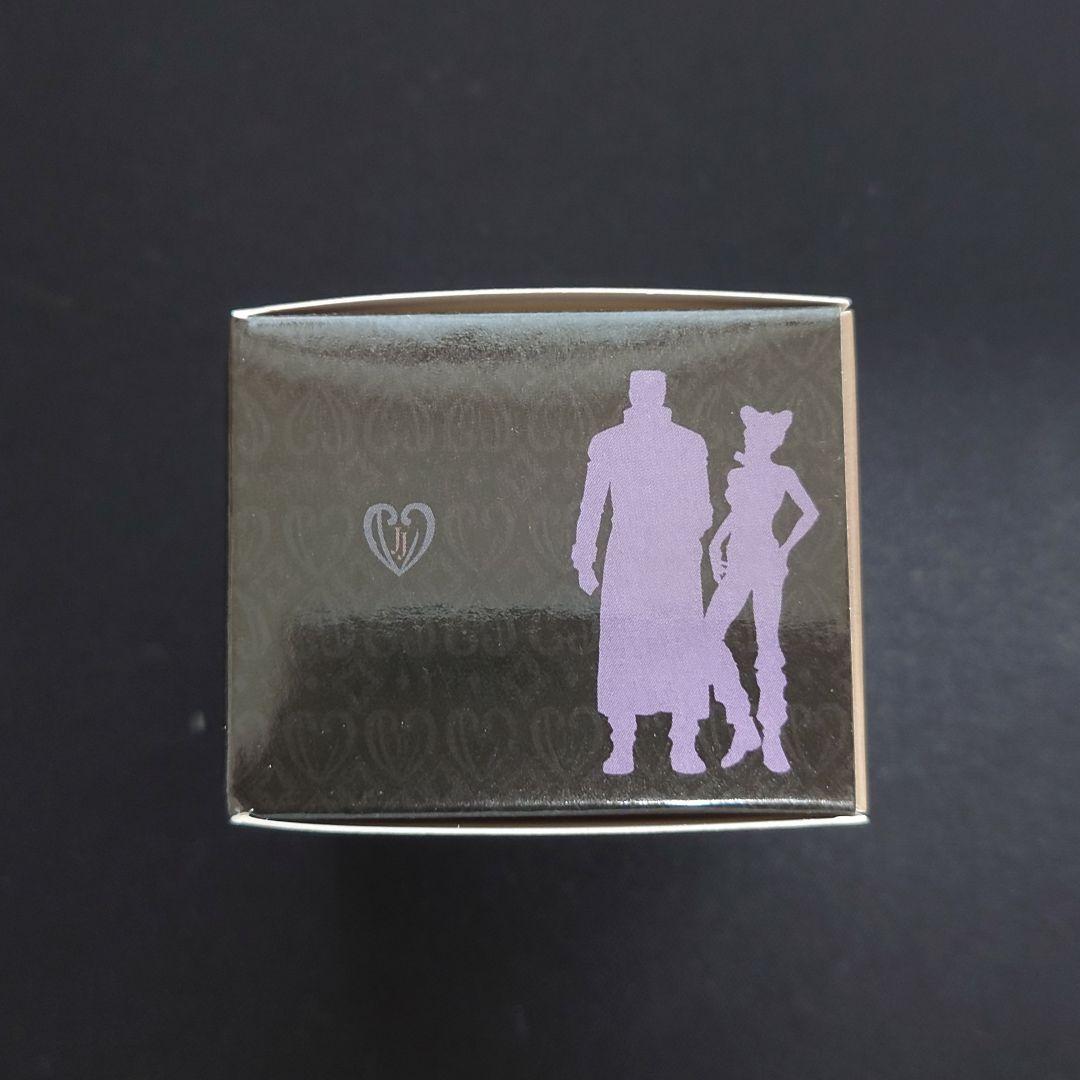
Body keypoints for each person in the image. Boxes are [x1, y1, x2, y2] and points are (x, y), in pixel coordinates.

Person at [572, 370, 713, 774]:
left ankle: (684, 743)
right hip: (627, 556)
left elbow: (703, 506)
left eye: (655, 389)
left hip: (675, 557)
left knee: (679, 644)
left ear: (664, 392)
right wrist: (584, 557)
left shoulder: (689, 443)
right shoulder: (609, 443)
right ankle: (622, 745)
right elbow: (592, 505)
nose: (648, 395)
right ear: (631, 393)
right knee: (625, 645)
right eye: (641, 389)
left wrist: (688, 533)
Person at [705, 406, 818, 773]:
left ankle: (772, 737)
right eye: (748, 435)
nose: (750, 440)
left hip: (766, 562)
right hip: (738, 561)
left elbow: (810, 512)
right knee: (707, 637)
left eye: (757, 436)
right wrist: (715, 544)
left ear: (772, 442)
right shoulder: (738, 474)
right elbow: (737, 515)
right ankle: (742, 723)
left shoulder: (782, 474)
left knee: (767, 646)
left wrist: (785, 550)